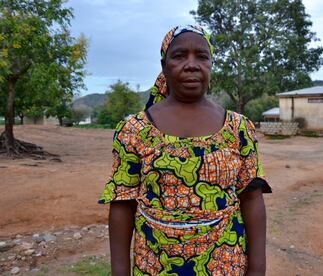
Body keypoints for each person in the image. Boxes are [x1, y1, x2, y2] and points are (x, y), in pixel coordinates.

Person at [99, 25, 272, 276]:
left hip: (226, 264)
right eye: (179, 55)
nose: (191, 64)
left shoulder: (239, 128)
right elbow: (122, 203)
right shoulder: (134, 129)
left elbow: (252, 198)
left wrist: (257, 270)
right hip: (155, 265)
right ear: (164, 65)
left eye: (201, 56)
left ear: (211, 64)